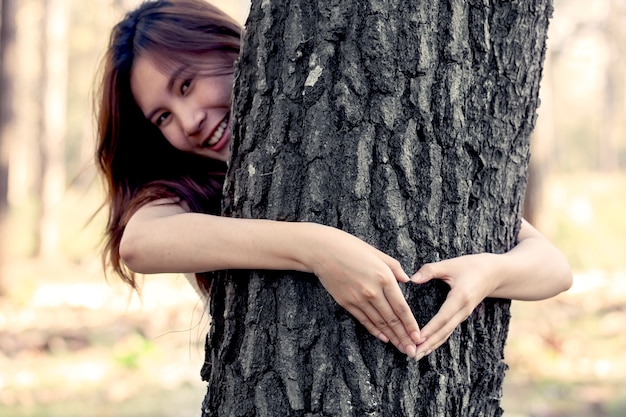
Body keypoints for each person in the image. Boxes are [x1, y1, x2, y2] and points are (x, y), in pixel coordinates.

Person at [95, 0, 572, 361]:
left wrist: (489, 275)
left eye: (186, 84)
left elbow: (552, 267)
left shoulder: (334, 120)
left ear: (226, 44)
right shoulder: (195, 190)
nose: (189, 121)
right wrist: (316, 248)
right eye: (162, 118)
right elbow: (139, 242)